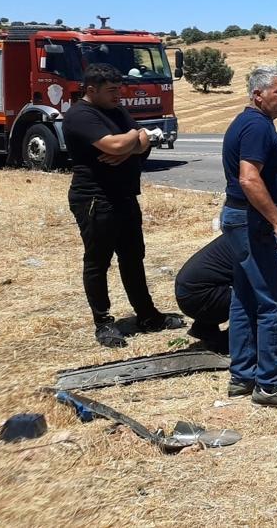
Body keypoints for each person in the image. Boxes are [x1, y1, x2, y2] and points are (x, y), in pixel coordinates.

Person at [63, 63, 184, 348]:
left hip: (125, 196)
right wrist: (131, 140)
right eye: (112, 91)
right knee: (98, 262)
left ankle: (148, 315)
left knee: (133, 257)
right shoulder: (81, 115)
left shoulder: (116, 111)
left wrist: (130, 142)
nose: (119, 95)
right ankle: (103, 323)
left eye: (119, 89)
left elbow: (143, 141)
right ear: (91, 90)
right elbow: (130, 141)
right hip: (96, 199)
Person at [221, 65, 277, 408]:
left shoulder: (249, 123)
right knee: (274, 300)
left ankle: (242, 375)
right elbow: (248, 179)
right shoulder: (257, 126)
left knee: (244, 298)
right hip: (253, 221)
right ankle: (270, 384)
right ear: (258, 94)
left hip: (240, 218)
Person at [175, 201, 277, 351]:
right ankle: (236, 342)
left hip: (191, 290)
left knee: (249, 283)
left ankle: (204, 328)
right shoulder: (275, 239)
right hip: (199, 297)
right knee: (266, 295)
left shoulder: (276, 224)